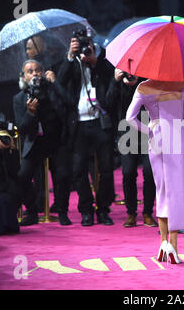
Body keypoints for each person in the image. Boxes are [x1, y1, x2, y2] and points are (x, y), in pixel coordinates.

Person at [126, 80, 184, 264]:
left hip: (157, 138)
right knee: (177, 191)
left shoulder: (143, 87)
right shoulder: (183, 85)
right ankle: (173, 245)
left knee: (162, 190)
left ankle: (163, 244)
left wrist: (149, 129)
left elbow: (130, 118)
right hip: (179, 137)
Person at [56, 30, 115, 227]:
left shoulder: (100, 58)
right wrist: (71, 56)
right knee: (78, 170)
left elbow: (110, 74)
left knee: (106, 170)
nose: (84, 47)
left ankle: (104, 210)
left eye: (87, 43)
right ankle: (86, 211)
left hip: (100, 121)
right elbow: (60, 81)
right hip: (78, 124)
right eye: (80, 44)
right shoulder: (71, 63)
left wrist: (94, 60)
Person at [13, 60, 72, 226]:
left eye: (38, 70)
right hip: (34, 142)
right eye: (30, 71)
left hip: (55, 140)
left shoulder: (52, 90)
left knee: (62, 175)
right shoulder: (19, 98)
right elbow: (23, 129)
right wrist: (30, 113)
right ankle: (32, 212)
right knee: (22, 176)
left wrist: (55, 83)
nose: (34, 74)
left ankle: (62, 212)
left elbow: (68, 104)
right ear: (24, 77)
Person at [106, 68, 157, 228]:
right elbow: (108, 103)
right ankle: (131, 213)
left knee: (150, 174)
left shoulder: (148, 80)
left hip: (149, 134)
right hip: (126, 135)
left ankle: (148, 212)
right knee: (128, 173)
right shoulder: (119, 82)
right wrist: (116, 82)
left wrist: (138, 83)